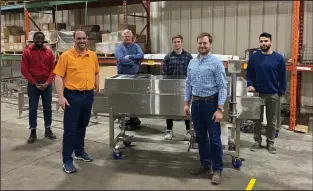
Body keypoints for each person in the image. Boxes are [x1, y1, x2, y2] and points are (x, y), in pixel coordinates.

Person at [53, 30, 100, 173]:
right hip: (72, 97)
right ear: (73, 40)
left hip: (88, 95)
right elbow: (58, 77)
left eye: (84, 38)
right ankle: (67, 160)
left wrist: (97, 88)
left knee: (82, 125)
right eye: (78, 38)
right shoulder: (66, 56)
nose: (82, 41)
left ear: (87, 40)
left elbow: (96, 72)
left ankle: (79, 152)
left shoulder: (92, 55)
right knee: (70, 129)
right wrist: (61, 97)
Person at [184, 32, 227, 185]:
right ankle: (204, 164)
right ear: (197, 44)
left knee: (214, 138)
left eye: (205, 43)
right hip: (196, 104)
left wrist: (220, 108)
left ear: (210, 45)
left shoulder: (216, 63)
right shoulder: (192, 63)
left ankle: (217, 169)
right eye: (200, 43)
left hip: (211, 104)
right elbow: (188, 83)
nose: (202, 46)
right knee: (201, 136)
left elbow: (222, 86)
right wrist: (186, 102)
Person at [246, 32, 286, 154]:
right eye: (261, 41)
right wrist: (250, 84)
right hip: (257, 93)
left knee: (272, 120)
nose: (263, 43)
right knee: (256, 119)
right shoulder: (254, 57)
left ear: (271, 42)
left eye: (266, 41)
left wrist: (280, 92)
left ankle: (270, 143)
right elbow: (249, 74)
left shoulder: (278, 58)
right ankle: (257, 141)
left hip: (273, 94)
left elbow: (283, 77)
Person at [20, 31, 57, 144]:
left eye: (41, 38)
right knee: (33, 108)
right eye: (37, 38)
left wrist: (47, 82)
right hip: (33, 84)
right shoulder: (27, 53)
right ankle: (33, 132)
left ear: (44, 39)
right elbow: (24, 70)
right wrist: (34, 82)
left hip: (46, 84)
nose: (39, 40)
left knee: (48, 108)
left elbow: (53, 69)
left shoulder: (49, 53)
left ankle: (48, 129)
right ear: (33, 39)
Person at [162, 35, 193, 140]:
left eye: (178, 41)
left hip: (185, 87)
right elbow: (164, 73)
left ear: (182, 43)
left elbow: (192, 72)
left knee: (186, 109)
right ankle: (169, 130)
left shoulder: (188, 57)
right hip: (171, 87)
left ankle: (188, 131)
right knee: (169, 109)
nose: (176, 43)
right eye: (174, 42)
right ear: (172, 43)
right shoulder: (168, 57)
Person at [114, 29, 144, 130]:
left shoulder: (136, 46)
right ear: (122, 38)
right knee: (123, 99)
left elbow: (141, 55)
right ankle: (124, 120)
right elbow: (121, 60)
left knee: (134, 99)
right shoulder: (119, 48)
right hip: (122, 77)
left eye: (128, 36)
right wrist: (133, 62)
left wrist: (130, 56)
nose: (127, 38)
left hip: (134, 77)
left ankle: (134, 119)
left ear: (132, 38)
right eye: (125, 36)